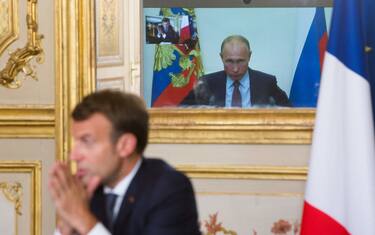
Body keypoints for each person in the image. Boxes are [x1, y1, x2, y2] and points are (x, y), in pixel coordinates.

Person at [48, 90, 201, 235]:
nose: (73, 156)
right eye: (76, 142)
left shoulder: (169, 188)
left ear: (125, 145)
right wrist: (65, 226)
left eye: (86, 141)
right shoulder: (88, 191)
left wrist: (81, 218)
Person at [188, 35, 290, 107]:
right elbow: (181, 113)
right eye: (229, 61)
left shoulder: (266, 83)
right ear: (221, 57)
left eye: (240, 61)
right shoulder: (207, 83)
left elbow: (290, 114)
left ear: (249, 56)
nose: (235, 69)